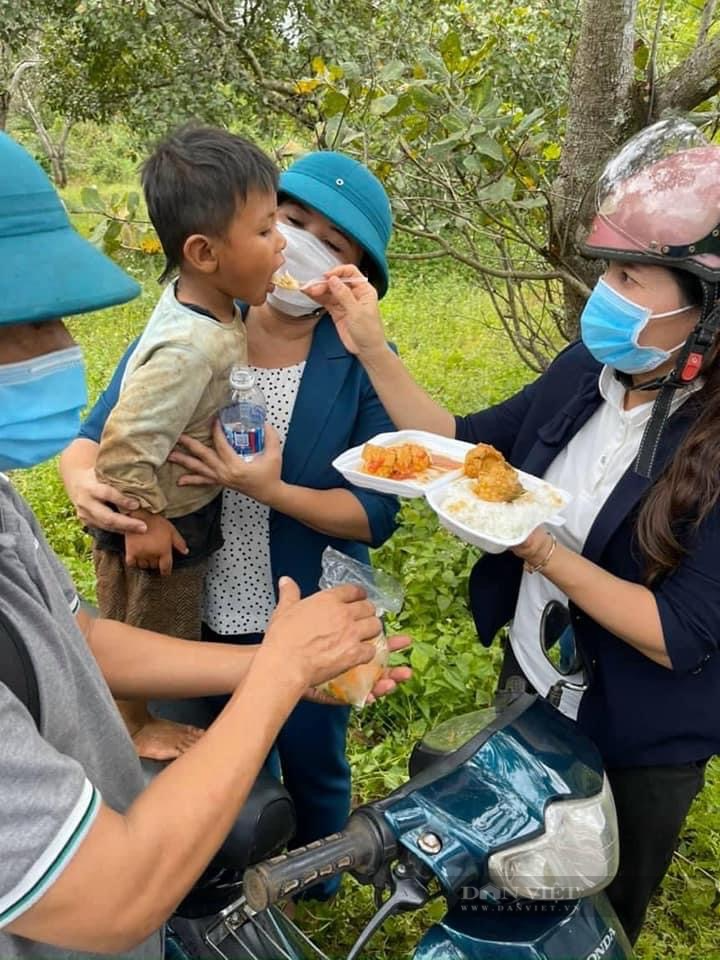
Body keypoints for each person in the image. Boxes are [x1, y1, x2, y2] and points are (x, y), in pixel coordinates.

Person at [306, 118, 720, 944]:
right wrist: (373, 348)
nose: (607, 295)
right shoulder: (588, 372)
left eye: (634, 279)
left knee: (598, 905)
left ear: (706, 311)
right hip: (532, 679)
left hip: (639, 736)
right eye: (610, 272)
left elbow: (678, 637)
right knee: (510, 869)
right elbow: (463, 447)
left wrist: (538, 548)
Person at [0, 131, 411, 960]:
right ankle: (209, 885)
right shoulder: (189, 331)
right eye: (285, 223)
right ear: (213, 244)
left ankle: (310, 875)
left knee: (309, 759)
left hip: (290, 600)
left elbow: (379, 510)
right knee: (193, 751)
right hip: (193, 594)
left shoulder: (354, 362)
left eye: (333, 245)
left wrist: (268, 498)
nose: (297, 248)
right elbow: (100, 439)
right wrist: (103, 494)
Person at [88, 124, 287, 760]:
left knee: (164, 620)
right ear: (204, 253)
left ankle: (137, 714)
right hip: (156, 520)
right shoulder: (186, 348)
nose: (283, 245)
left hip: (178, 507)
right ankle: (131, 726)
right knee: (148, 627)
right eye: (265, 232)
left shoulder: (216, 306)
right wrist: (141, 522)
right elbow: (121, 448)